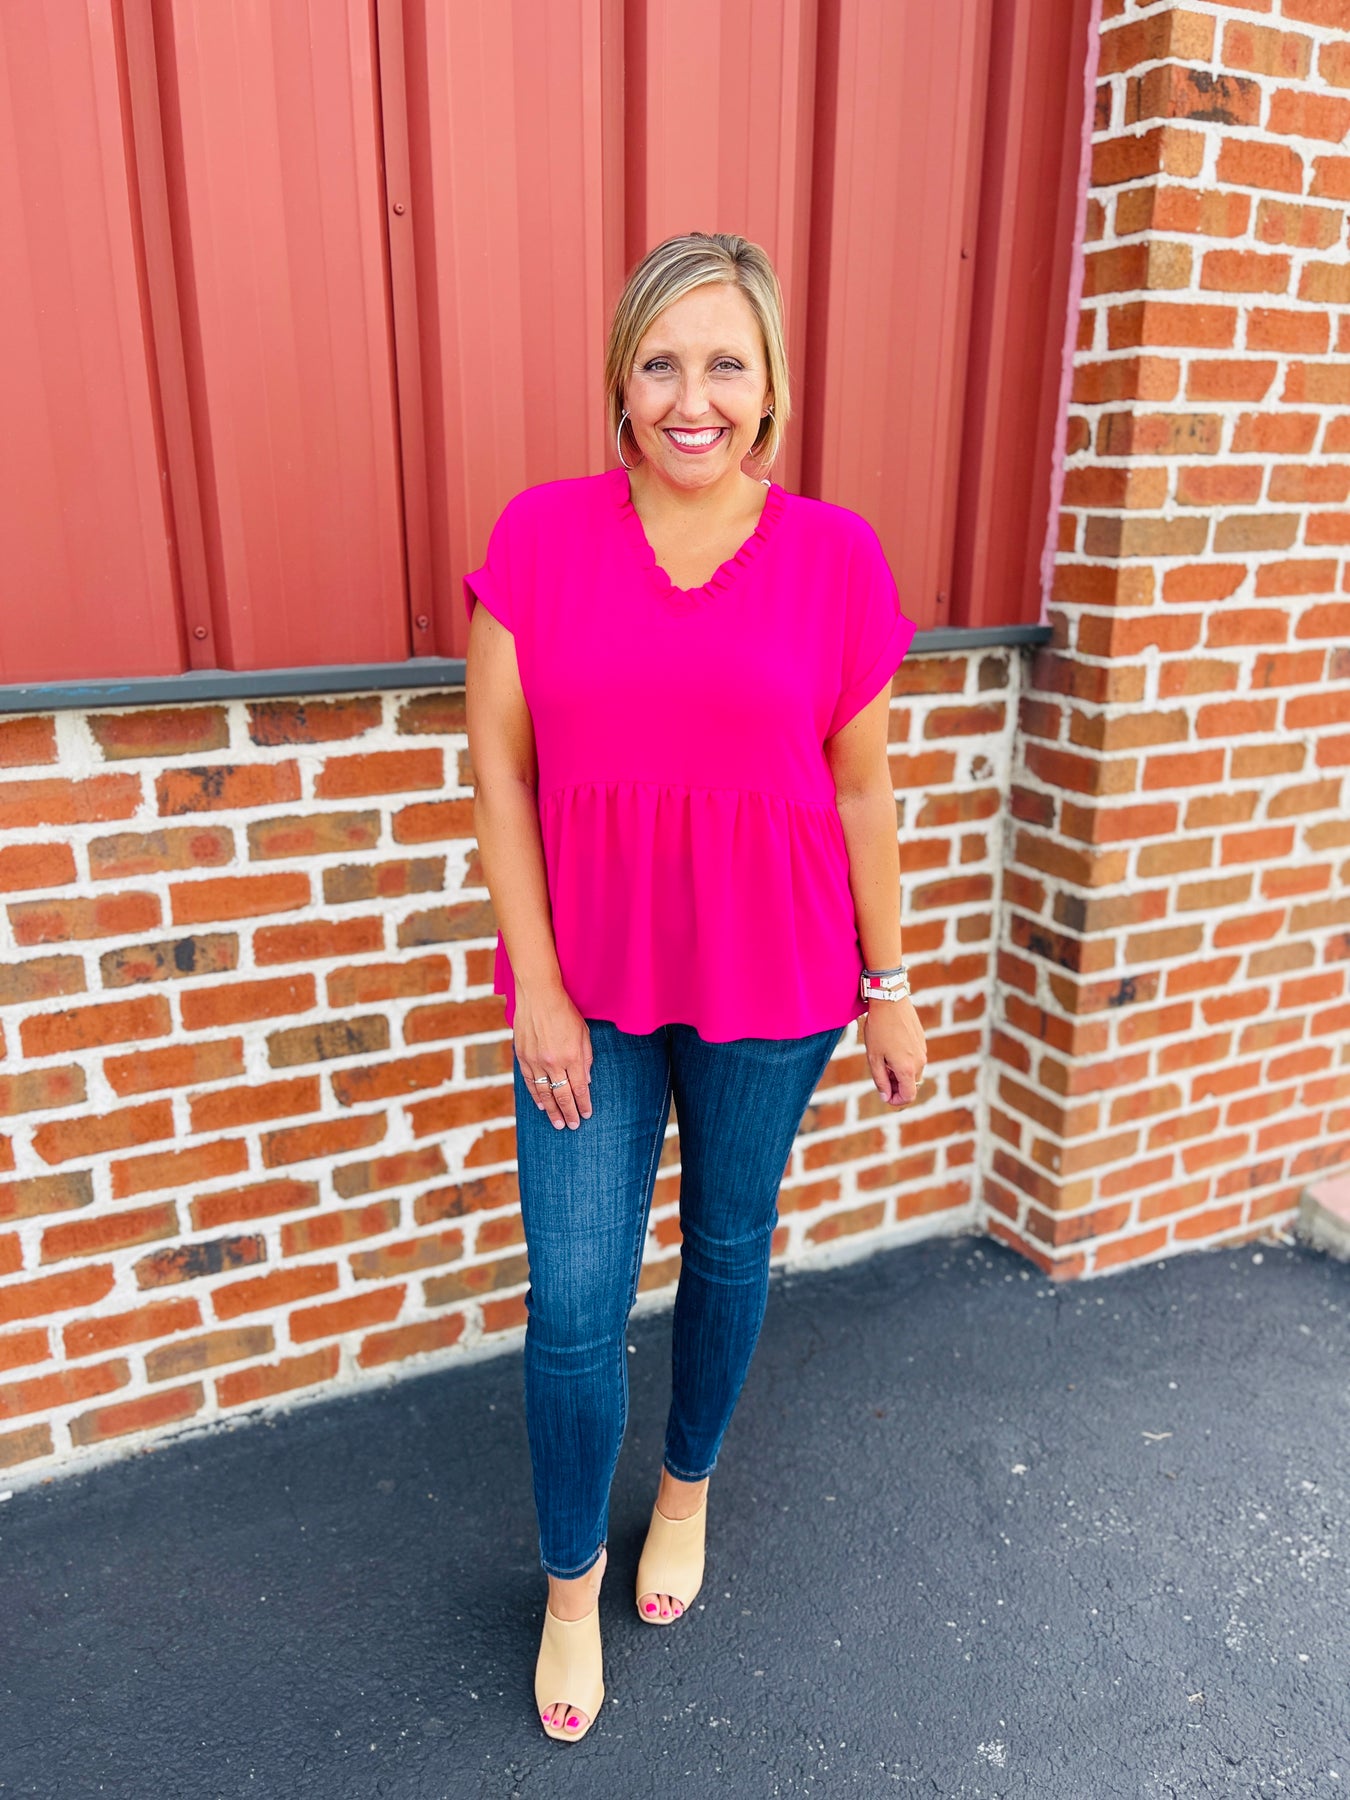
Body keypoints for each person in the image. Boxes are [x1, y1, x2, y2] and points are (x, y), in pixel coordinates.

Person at [463, 230, 927, 1744]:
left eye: (726, 363)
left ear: (770, 385)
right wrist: (537, 990)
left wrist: (890, 981)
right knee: (572, 1302)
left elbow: (858, 792)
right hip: (586, 988)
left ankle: (684, 1493)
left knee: (728, 1246)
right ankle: (568, 1587)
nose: (692, 397)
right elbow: (500, 776)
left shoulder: (835, 558)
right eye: (661, 361)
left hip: (776, 977)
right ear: (621, 377)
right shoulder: (540, 538)